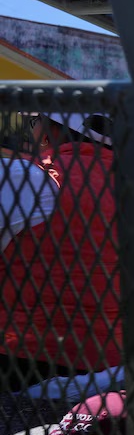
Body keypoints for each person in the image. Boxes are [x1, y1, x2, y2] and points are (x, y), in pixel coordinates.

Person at [1, 113, 119, 386]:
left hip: (21, 369)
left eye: (36, 122)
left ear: (51, 132)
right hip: (111, 372)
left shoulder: (28, 177)